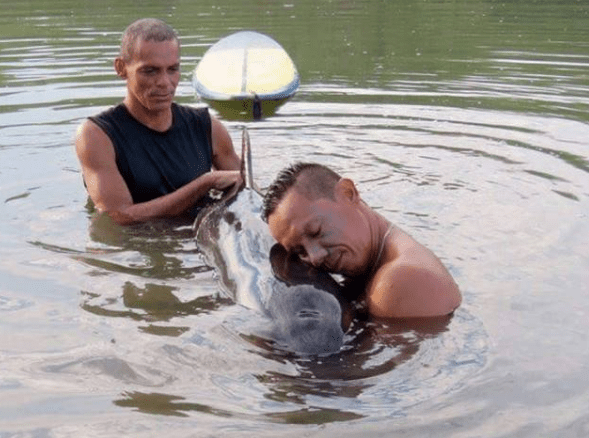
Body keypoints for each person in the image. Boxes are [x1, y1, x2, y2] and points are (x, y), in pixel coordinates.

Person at [75, 18, 242, 225]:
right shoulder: (96, 135)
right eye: (150, 71)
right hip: (136, 251)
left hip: (201, 241)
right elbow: (117, 216)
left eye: (172, 69)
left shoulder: (207, 127)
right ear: (121, 68)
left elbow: (246, 191)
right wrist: (206, 183)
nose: (164, 83)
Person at [262, 163, 461, 318]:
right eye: (300, 252)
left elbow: (365, 369)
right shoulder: (374, 259)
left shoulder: (399, 280)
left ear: (349, 193)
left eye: (316, 232)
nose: (315, 257)